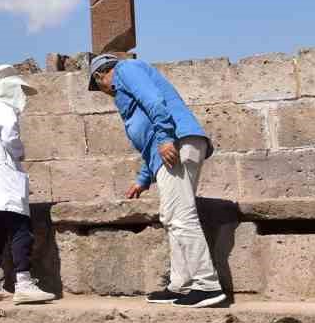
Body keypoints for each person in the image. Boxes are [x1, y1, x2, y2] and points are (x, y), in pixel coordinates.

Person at [87, 53, 226, 308]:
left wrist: (164, 137)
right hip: (174, 145)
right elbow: (148, 140)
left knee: (181, 216)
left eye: (99, 88)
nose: (104, 93)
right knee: (171, 216)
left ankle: (207, 285)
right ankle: (180, 285)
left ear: (100, 76)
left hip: (176, 142)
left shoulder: (126, 69)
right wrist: (143, 178)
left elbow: (155, 102)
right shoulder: (125, 87)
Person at [0, 65, 56, 304]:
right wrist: (20, 153)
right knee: (19, 227)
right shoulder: (4, 108)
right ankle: (24, 282)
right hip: (2, 173)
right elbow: (10, 138)